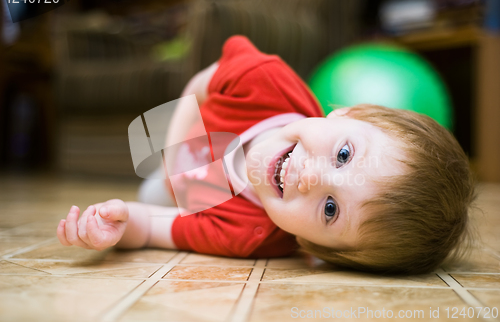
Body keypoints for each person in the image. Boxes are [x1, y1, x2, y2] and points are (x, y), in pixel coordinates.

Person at [56, 36, 475, 274]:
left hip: (184, 197)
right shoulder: (266, 83)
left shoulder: (249, 235)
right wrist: (179, 148)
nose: (313, 177)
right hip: (188, 135)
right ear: (349, 112)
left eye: (330, 209)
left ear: (312, 247)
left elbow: (151, 229)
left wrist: (116, 226)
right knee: (156, 177)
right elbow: (204, 83)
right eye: (344, 154)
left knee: (149, 199)